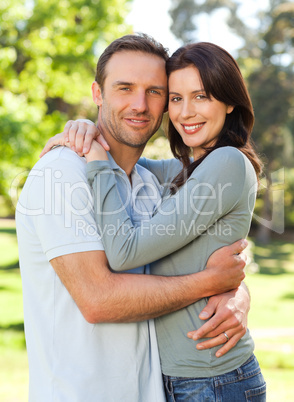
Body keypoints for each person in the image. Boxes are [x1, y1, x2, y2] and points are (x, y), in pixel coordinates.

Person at [17, 34, 250, 402]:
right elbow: (98, 300)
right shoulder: (61, 174)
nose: (140, 104)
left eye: (156, 92)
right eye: (124, 88)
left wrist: (236, 288)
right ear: (98, 93)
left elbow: (213, 226)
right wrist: (211, 281)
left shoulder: (149, 180)